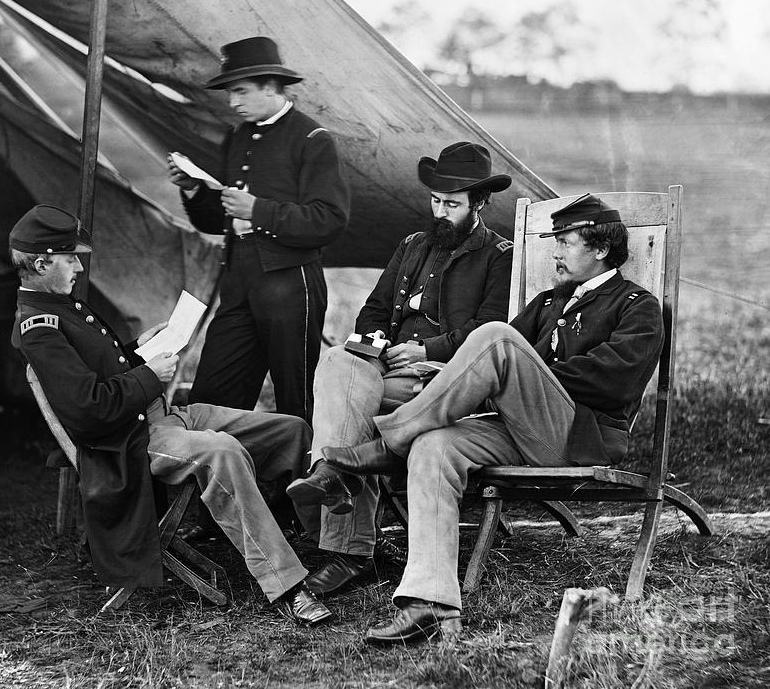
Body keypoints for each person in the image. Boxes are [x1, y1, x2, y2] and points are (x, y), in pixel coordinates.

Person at [323, 194, 665, 642]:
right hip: (519, 428)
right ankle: (431, 603)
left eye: (566, 242)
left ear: (601, 249)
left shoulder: (637, 306)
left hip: (581, 435)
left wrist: (527, 376)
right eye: (555, 241)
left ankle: (388, 444)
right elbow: (487, 365)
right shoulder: (547, 302)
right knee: (434, 445)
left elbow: (612, 381)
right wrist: (476, 376)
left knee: (497, 338)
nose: (556, 252)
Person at [9, 204, 331, 625]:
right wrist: (149, 375)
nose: (78, 267)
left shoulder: (61, 303)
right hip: (130, 442)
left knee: (291, 430)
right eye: (69, 258)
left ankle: (328, 543)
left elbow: (100, 368)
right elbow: (90, 409)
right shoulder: (40, 326)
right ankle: (288, 585)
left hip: (161, 416)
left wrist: (137, 350)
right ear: (39, 263)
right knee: (223, 453)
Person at [284, 142, 514, 598]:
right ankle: (332, 474)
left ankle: (347, 546)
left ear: (480, 203)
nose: (441, 211)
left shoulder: (499, 255)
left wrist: (424, 348)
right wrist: (381, 344)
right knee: (336, 360)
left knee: (356, 410)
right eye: (436, 201)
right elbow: (372, 310)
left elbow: (491, 331)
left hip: (444, 379)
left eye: (452, 204)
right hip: (387, 369)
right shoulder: (412, 245)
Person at [167, 36, 350, 422]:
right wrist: (195, 190)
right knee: (212, 397)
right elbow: (216, 220)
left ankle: (301, 479)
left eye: (240, 91)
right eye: (231, 93)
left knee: (296, 399)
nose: (233, 102)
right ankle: (219, 476)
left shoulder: (312, 140)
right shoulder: (236, 137)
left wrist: (259, 210)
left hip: (290, 283)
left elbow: (329, 220)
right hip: (239, 282)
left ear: (270, 86)